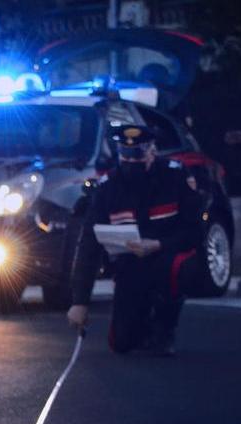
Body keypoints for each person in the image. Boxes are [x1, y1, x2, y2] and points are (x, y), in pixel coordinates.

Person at [67, 125, 204, 355]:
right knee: (122, 343)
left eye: (138, 155)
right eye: (126, 156)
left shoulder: (175, 177)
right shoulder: (108, 188)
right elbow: (89, 245)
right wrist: (80, 302)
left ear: (152, 151)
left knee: (183, 268)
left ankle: (165, 324)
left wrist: (159, 244)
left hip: (167, 257)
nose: (131, 162)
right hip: (130, 265)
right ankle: (143, 324)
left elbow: (195, 231)